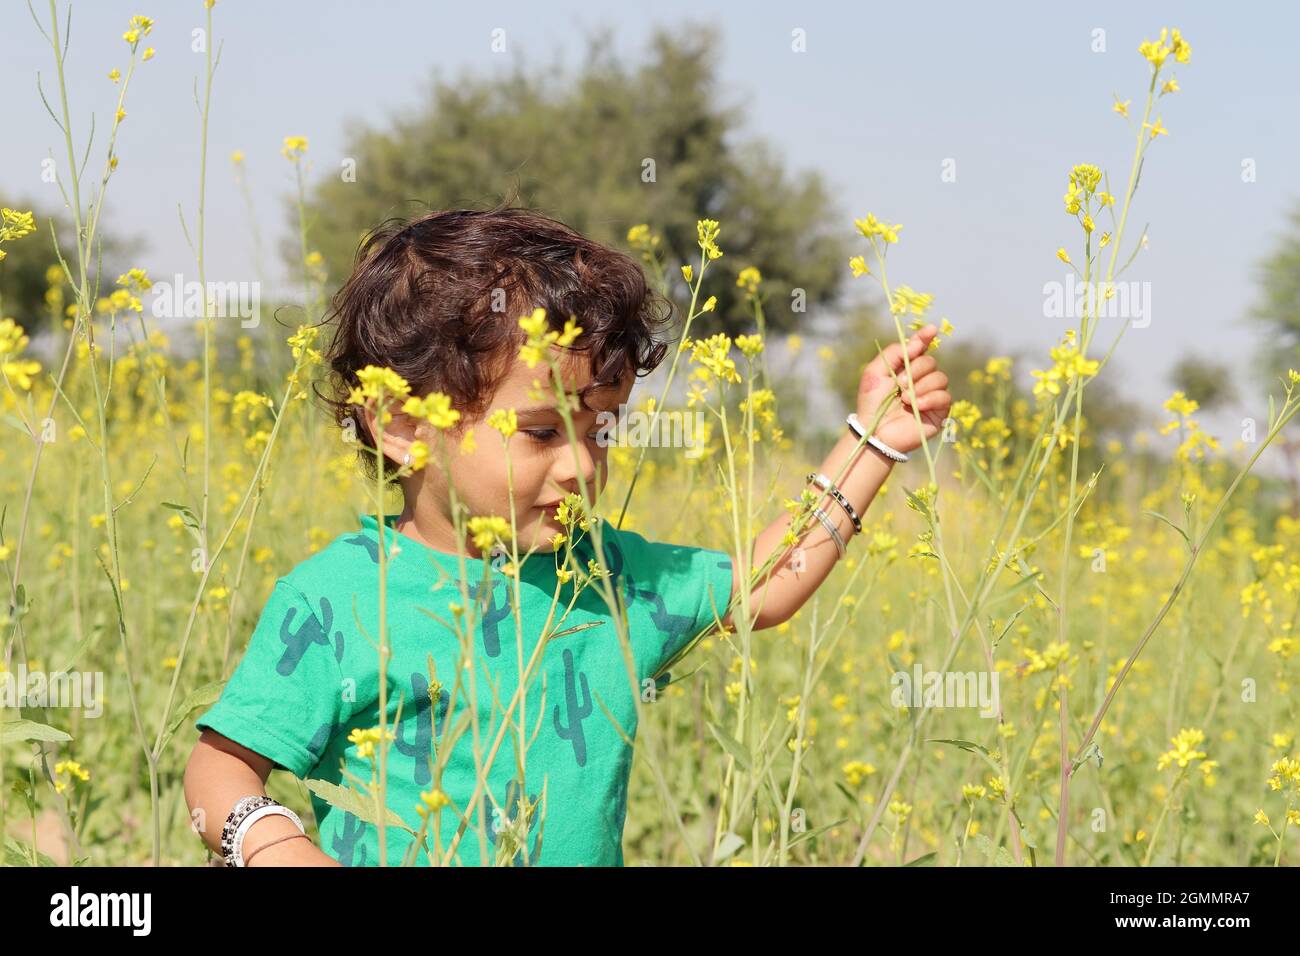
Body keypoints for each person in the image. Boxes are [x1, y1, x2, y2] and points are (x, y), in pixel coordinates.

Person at [182, 206, 950, 866]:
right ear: (404, 426)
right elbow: (220, 770)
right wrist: (274, 844)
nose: (582, 465)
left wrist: (873, 442)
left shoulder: (606, 577)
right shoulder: (338, 597)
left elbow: (768, 582)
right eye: (543, 431)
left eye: (601, 431)